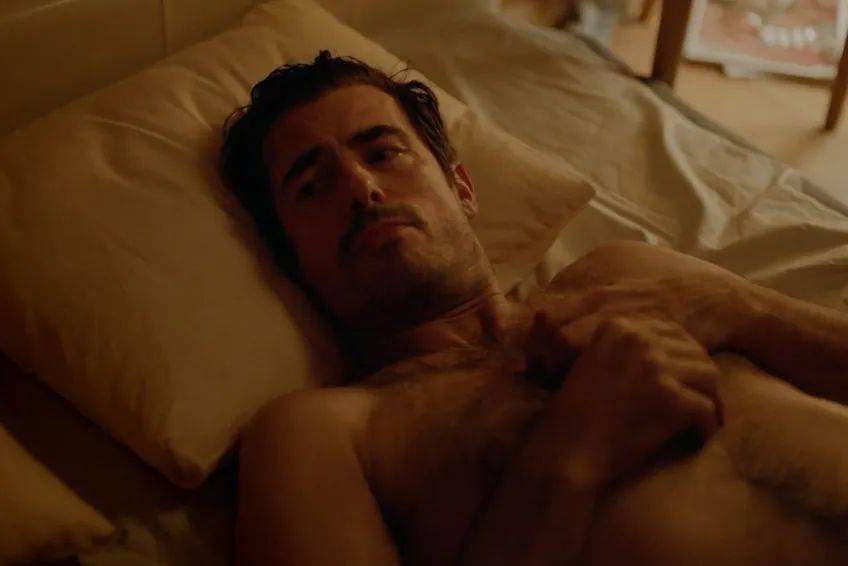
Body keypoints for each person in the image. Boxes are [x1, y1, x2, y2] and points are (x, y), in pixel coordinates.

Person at [221, 51, 848, 565]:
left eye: (382, 153)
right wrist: (573, 447)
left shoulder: (628, 274)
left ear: (462, 189)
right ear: (293, 263)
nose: (361, 187)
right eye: (312, 186)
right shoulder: (324, 434)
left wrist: (742, 307)